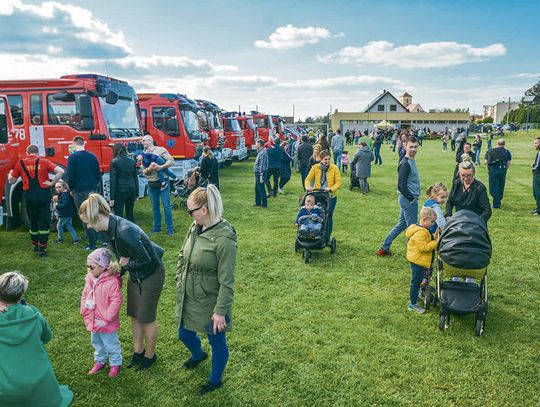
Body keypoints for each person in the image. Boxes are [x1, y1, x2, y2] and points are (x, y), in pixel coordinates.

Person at [78, 193, 165, 371]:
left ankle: (150, 356)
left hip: (151, 273)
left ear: (99, 216)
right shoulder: (108, 230)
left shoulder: (124, 231)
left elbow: (146, 260)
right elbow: (125, 257)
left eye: (88, 222)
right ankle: (138, 352)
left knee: (146, 317)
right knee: (134, 314)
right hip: (136, 274)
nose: (88, 226)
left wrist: (124, 264)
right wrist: (119, 269)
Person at [176, 185, 237, 396]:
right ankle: (198, 355)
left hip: (211, 299)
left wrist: (220, 311)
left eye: (191, 210)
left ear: (205, 209)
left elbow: (227, 281)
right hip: (191, 295)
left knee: (217, 341)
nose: (189, 215)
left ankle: (214, 381)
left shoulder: (225, 239)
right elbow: (183, 254)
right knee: (184, 333)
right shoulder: (195, 226)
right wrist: (179, 275)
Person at [0, 271, 73, 406]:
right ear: (21, 294)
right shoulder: (33, 313)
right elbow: (47, 337)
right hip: (41, 385)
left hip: (4, 390)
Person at [8, 144, 64, 256]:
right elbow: (61, 171)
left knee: (33, 221)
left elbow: (12, 181)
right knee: (44, 222)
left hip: (29, 196)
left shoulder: (20, 163)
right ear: (37, 152)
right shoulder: (44, 161)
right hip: (43, 195)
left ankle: (34, 246)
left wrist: (10, 173)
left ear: (27, 152)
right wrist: (52, 183)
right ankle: (42, 249)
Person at [81, 249, 123, 378]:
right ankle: (100, 361)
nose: (88, 268)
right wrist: (83, 309)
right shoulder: (90, 279)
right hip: (93, 319)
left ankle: (115, 364)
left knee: (111, 344)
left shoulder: (112, 282)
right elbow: (85, 295)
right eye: (87, 265)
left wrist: (106, 318)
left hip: (106, 322)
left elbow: (116, 301)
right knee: (97, 342)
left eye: (91, 266)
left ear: (102, 266)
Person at [378, 136, 421, 256]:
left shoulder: (411, 161)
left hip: (407, 199)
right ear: (405, 146)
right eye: (411, 147)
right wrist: (412, 199)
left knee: (401, 225)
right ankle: (414, 254)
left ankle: (384, 248)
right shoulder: (405, 163)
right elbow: (401, 185)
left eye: (415, 147)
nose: (413, 149)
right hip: (408, 199)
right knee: (412, 228)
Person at [66, 136, 101, 250]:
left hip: (79, 191)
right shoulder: (92, 156)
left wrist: (71, 188)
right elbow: (97, 173)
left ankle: (92, 242)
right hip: (92, 189)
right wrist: (94, 186)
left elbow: (71, 175)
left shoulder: (72, 157)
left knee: (85, 216)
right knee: (94, 214)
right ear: (83, 144)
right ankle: (99, 237)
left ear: (74, 144)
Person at [405, 208, 439, 314]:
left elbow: (427, 239)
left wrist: (434, 236)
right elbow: (423, 247)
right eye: (432, 222)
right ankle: (412, 303)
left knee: (420, 280)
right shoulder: (420, 232)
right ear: (424, 220)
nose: (433, 224)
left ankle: (418, 293)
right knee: (415, 282)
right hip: (417, 262)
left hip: (420, 261)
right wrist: (436, 243)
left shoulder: (424, 230)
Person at [141, 135, 174, 235]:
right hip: (152, 183)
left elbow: (171, 160)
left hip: (163, 183)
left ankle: (170, 228)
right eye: (142, 141)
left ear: (150, 140)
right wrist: (150, 169)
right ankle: (156, 227)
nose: (142, 142)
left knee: (166, 206)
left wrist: (160, 167)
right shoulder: (143, 154)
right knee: (155, 206)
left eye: (144, 140)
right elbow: (143, 171)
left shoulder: (160, 150)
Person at [305, 150, 342, 236]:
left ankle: (327, 235)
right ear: (321, 159)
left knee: (328, 216)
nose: (327, 161)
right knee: (314, 214)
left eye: (329, 159)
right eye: (325, 159)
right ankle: (314, 233)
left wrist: (331, 189)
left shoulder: (334, 168)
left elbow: (338, 182)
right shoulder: (315, 167)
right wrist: (308, 187)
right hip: (317, 194)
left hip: (330, 196)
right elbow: (308, 179)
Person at [110, 143, 138, 223]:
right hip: (131, 189)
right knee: (130, 214)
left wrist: (112, 198)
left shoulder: (114, 162)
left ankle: (119, 233)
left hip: (120, 191)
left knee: (118, 215)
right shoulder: (132, 161)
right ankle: (133, 232)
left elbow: (113, 180)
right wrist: (137, 194)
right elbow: (135, 178)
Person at [485, 139, 512, 209]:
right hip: (502, 171)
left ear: (497, 143)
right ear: (504, 144)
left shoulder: (490, 151)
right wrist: (505, 169)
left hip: (493, 171)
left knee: (493, 187)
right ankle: (498, 200)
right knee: (501, 186)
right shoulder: (507, 152)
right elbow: (508, 162)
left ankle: (496, 203)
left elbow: (486, 161)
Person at [253, 139, 268, 208]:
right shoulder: (260, 152)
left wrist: (261, 174)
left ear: (259, 144)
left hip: (260, 173)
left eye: (256, 143)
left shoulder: (262, 153)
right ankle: (258, 202)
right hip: (258, 173)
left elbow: (262, 165)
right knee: (257, 188)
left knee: (261, 188)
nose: (255, 145)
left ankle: (264, 204)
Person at [532, 137, 540, 216]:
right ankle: (538, 207)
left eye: (536, 143)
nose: (534, 145)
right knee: (536, 192)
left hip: (538, 175)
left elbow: (538, 165)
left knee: (537, 192)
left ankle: (539, 210)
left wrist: (533, 168)